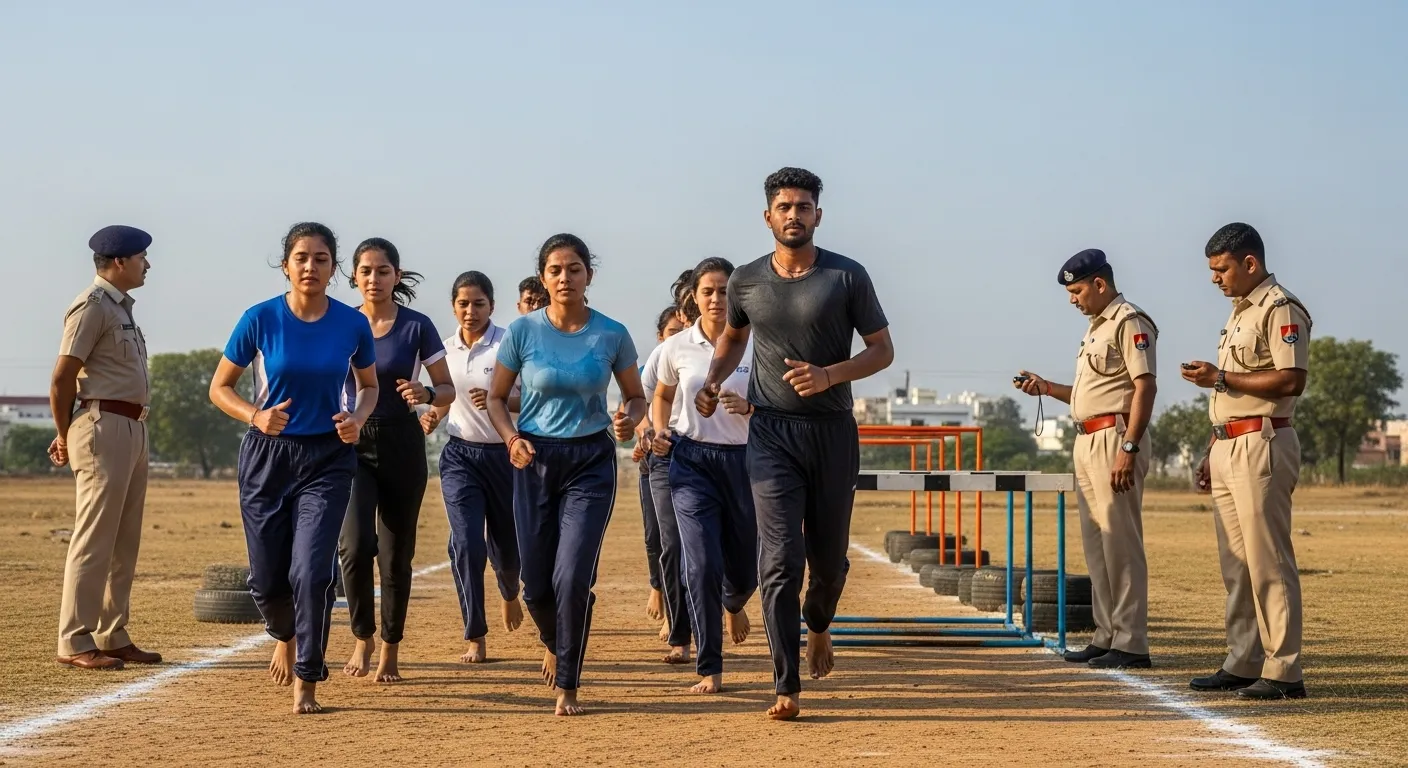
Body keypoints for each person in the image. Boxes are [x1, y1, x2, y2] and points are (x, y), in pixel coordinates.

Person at [699, 168, 893, 720]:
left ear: (818, 216)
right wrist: (713, 380)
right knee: (780, 559)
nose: (794, 215)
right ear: (768, 217)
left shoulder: (846, 276)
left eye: (803, 207)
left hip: (832, 432)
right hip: (771, 433)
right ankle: (786, 685)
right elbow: (733, 337)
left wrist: (830, 375)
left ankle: (820, 623)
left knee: (828, 563)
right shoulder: (745, 281)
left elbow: (882, 350)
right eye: (784, 207)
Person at [209, 222, 378, 714]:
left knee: (311, 571)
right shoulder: (259, 319)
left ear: (334, 268)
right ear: (285, 265)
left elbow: (369, 386)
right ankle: (283, 633)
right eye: (301, 258)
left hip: (328, 457)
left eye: (321, 259)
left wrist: (357, 419)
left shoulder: (351, 324)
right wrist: (255, 415)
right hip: (267, 456)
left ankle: (308, 675)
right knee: (266, 581)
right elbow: (220, 388)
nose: (310, 267)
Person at [486, 233, 646, 716]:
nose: (564, 278)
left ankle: (568, 684)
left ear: (588, 275)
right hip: (533, 460)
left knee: (572, 575)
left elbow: (636, 397)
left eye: (574, 269)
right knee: (536, 586)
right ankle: (555, 640)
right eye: (555, 270)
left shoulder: (612, 334)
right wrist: (510, 439)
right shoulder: (522, 332)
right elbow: (496, 398)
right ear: (543, 277)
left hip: (590, 461)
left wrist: (628, 419)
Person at [1181, 223, 1311, 700]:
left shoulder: (1280, 308)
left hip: (1263, 442)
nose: (1215, 278)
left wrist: (1221, 377)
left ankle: (1284, 669)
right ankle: (1243, 659)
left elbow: (1291, 379)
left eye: (1222, 268)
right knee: (1237, 564)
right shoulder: (1240, 313)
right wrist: (1210, 449)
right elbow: (1230, 395)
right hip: (1229, 444)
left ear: (1250, 263)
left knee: (1267, 559)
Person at [1014, 249, 1157, 670]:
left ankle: (1131, 641)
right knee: (1097, 544)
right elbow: (1086, 395)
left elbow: (1145, 387)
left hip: (1115, 437)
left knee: (1121, 543)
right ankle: (1107, 634)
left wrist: (1129, 447)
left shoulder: (1129, 321)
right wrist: (1046, 388)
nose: (1073, 300)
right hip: (1088, 438)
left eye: (1076, 291)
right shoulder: (1096, 328)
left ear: (1099, 283)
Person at [338, 238, 455, 683]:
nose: (374, 278)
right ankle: (362, 637)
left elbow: (447, 390)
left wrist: (427, 393)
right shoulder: (339, 322)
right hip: (351, 441)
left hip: (402, 443)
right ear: (354, 276)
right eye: (366, 271)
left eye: (383, 271)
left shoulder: (417, 326)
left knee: (394, 555)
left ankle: (390, 647)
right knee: (353, 547)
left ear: (397, 276)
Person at [50, 225, 162, 670]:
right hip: (103, 425)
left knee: (123, 539)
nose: (147, 264)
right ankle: (74, 639)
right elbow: (63, 377)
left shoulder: (121, 309)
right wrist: (64, 433)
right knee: (94, 537)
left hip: (132, 426)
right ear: (119, 261)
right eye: (141, 257)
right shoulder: (92, 306)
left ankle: (113, 633)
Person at [653, 257, 757, 694]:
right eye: (708, 291)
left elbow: (782, 401)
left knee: (747, 572)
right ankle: (709, 665)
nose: (716, 299)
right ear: (694, 298)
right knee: (700, 564)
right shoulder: (677, 346)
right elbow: (661, 395)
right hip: (692, 462)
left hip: (748, 463)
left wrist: (750, 408)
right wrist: (660, 430)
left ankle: (734, 602)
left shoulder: (757, 341)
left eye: (724, 291)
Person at [421, 270, 526, 664]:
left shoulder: (508, 344)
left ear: (491, 306)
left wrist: (500, 400)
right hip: (460, 457)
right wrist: (432, 416)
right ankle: (475, 634)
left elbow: (532, 399)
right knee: (466, 543)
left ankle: (510, 590)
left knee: (508, 551)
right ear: (453, 307)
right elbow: (444, 397)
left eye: (479, 303)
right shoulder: (444, 350)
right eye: (463, 304)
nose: (470, 311)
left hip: (505, 456)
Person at [642, 302, 695, 663]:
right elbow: (640, 403)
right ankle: (681, 633)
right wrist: (649, 433)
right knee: (668, 542)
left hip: (712, 451)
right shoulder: (663, 355)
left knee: (708, 547)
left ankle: (730, 602)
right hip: (665, 451)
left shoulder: (731, 347)